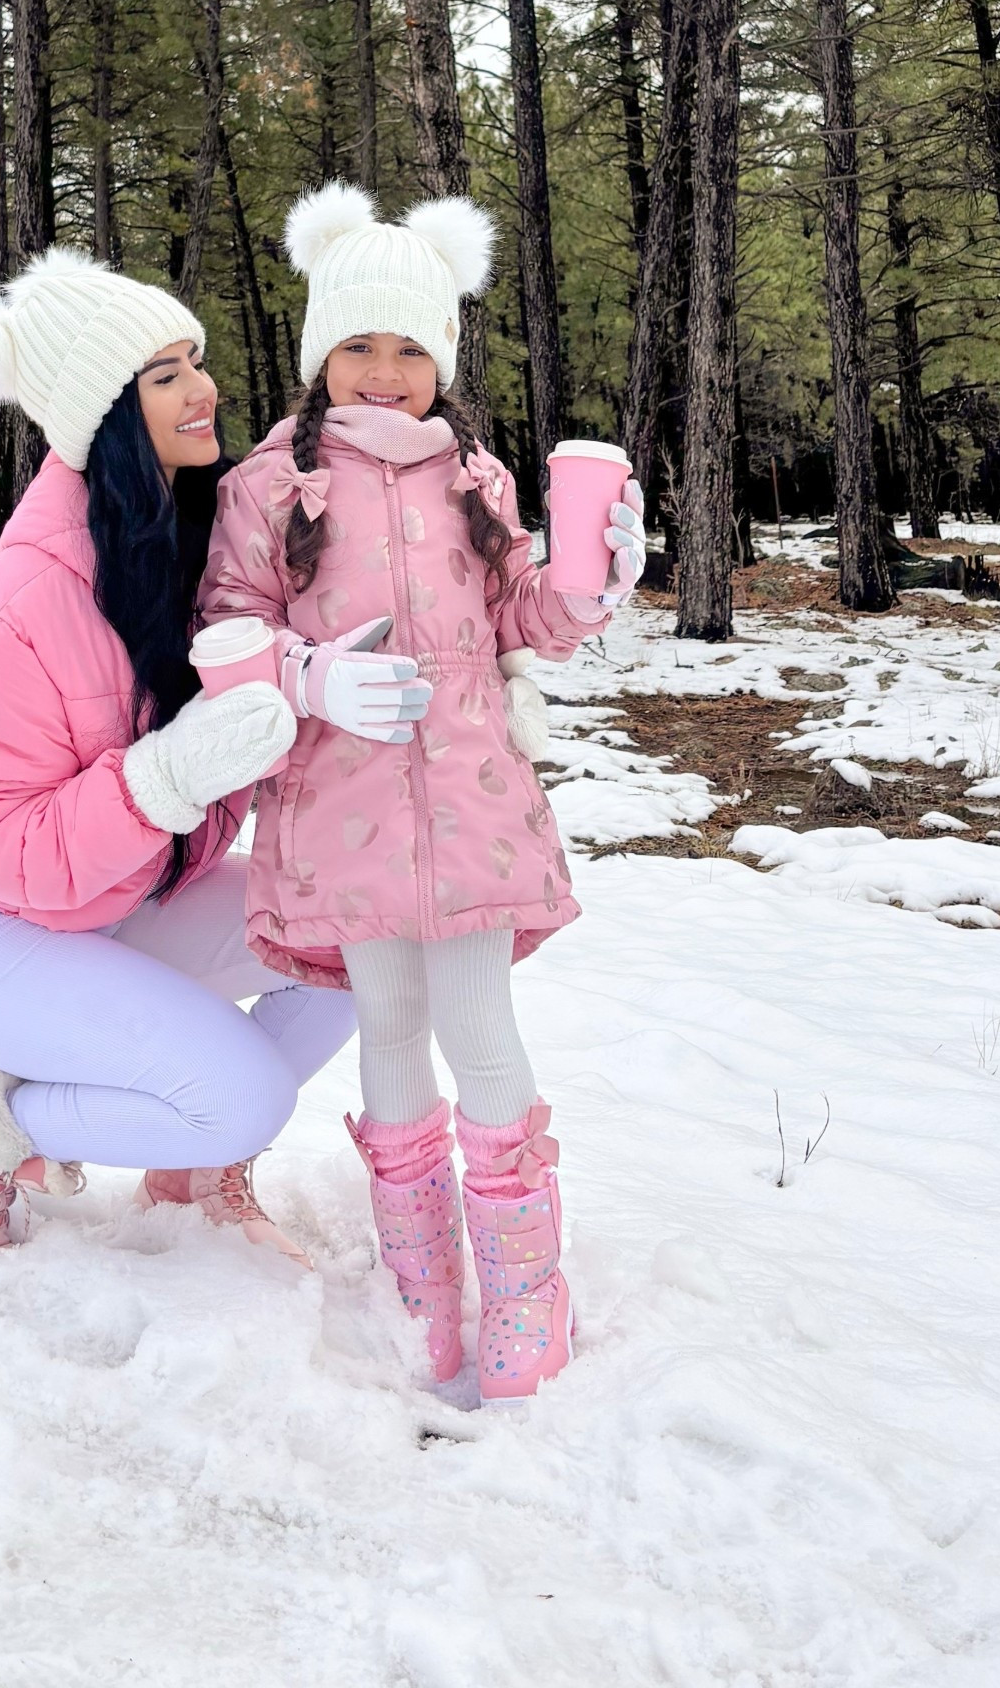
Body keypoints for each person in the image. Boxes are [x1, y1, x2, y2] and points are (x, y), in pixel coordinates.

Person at [200, 184, 646, 1399]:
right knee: (388, 1019)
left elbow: (523, 617)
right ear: (319, 354)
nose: (385, 371)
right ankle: (422, 1276)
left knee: (477, 1018)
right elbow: (228, 627)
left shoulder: (479, 478)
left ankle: (523, 1285)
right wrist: (307, 679)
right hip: (337, 795)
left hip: (470, 788)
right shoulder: (268, 485)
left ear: (441, 361)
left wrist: (592, 582)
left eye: (410, 348)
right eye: (360, 345)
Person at [0, 249, 407, 1264]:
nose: (203, 387)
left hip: (133, 893)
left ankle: (192, 1178)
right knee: (237, 1097)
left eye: (195, 359)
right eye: (165, 375)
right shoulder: (20, 605)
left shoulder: (197, 544)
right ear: (106, 416)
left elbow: (255, 696)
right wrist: (164, 776)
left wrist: (315, 681)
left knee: (354, 933)